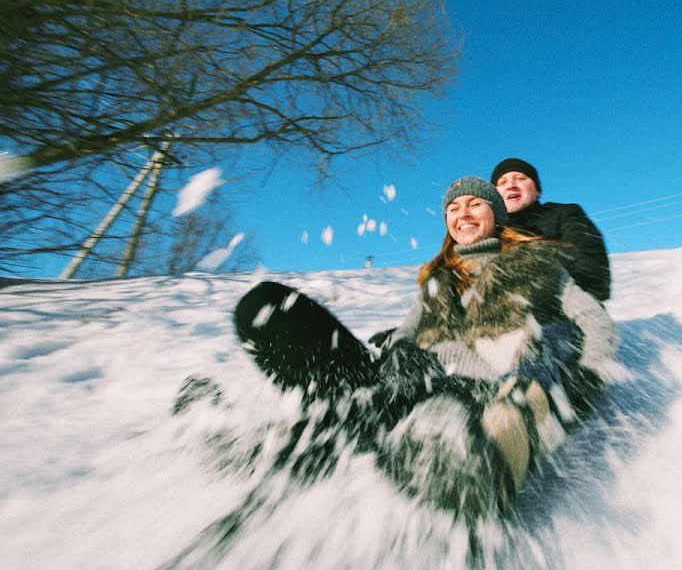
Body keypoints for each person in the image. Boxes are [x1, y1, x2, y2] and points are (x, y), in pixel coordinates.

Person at [231, 177, 622, 521]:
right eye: (453, 208)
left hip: (475, 392)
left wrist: (586, 374)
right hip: (402, 382)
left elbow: (593, 320)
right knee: (266, 306)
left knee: (437, 414)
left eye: (475, 204)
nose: (462, 213)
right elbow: (406, 333)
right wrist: (401, 351)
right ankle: (282, 440)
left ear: (497, 215)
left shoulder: (537, 264)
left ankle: (451, 467)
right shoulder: (438, 281)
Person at [491, 157, 612, 303]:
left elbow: (592, 269)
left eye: (520, 178)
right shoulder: (490, 231)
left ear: (537, 190)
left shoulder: (564, 214)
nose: (511, 185)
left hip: (568, 311)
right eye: (502, 182)